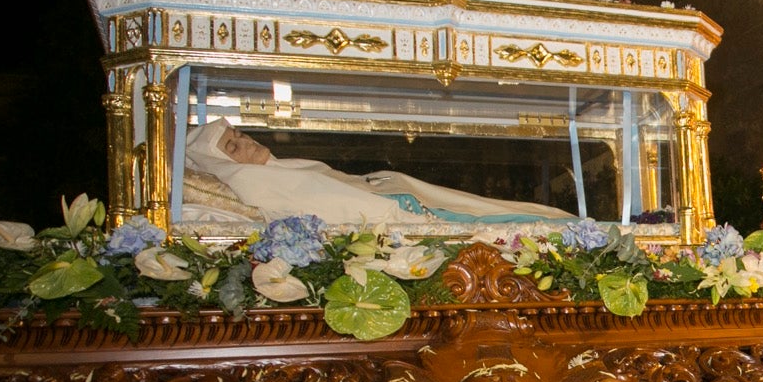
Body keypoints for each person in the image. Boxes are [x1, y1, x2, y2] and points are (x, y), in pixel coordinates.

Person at [181, 118, 575, 226]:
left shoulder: (272, 168)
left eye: (241, 134)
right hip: (403, 213)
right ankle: (572, 229)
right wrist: (405, 218)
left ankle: (569, 225)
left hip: (394, 197)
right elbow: (333, 206)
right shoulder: (254, 180)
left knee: (495, 210)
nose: (247, 142)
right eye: (234, 146)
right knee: (503, 219)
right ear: (223, 165)